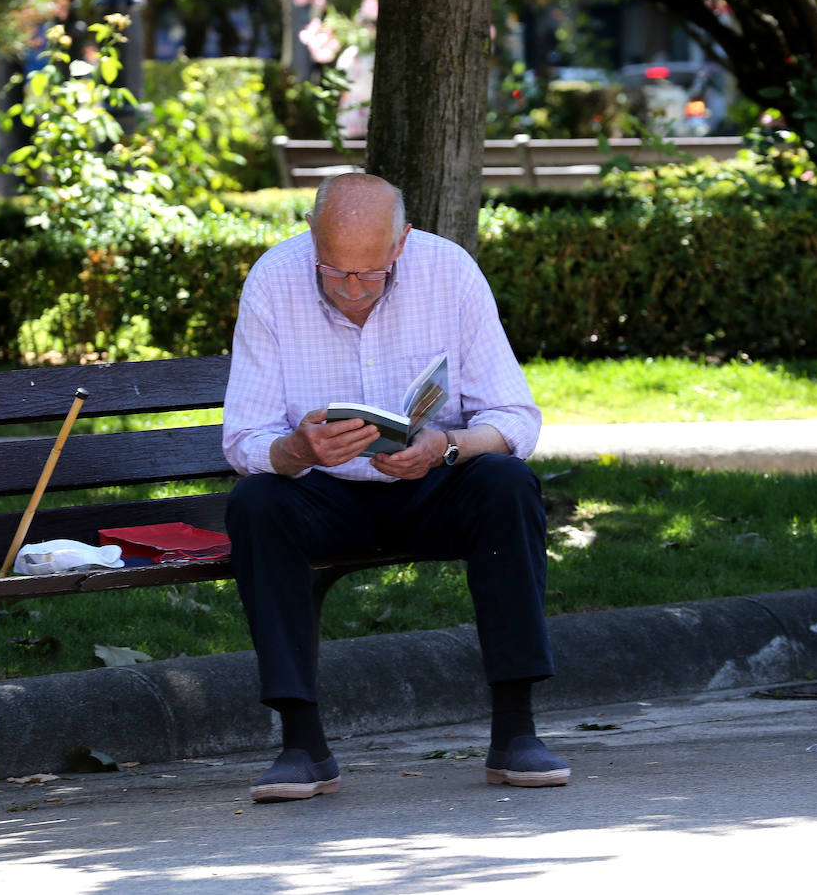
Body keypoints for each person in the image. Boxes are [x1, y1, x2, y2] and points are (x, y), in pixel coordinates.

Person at [221, 172, 567, 803]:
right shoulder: (274, 278)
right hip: (322, 492)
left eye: (370, 274)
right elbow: (244, 438)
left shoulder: (451, 272)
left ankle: (516, 731)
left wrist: (447, 447)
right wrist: (295, 450)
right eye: (333, 271)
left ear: (401, 243)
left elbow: (516, 418)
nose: (351, 290)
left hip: (429, 485)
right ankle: (301, 743)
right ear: (311, 239)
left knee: (507, 483)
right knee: (256, 501)